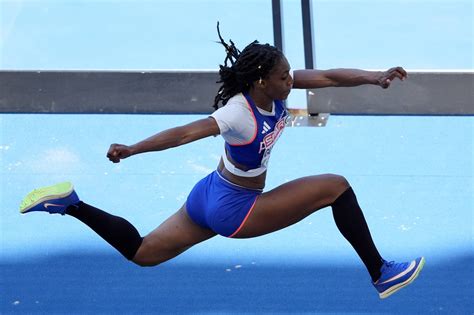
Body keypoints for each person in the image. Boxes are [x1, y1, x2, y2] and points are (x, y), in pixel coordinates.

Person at [19, 25, 424, 299]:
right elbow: (183, 134)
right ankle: (380, 273)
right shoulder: (237, 113)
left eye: (289, 74)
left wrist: (374, 76)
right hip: (236, 210)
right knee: (336, 186)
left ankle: (71, 204)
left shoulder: (273, 86)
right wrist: (132, 148)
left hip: (209, 194)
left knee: (143, 253)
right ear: (261, 80)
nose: (292, 81)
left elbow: (330, 77)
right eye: (285, 76)